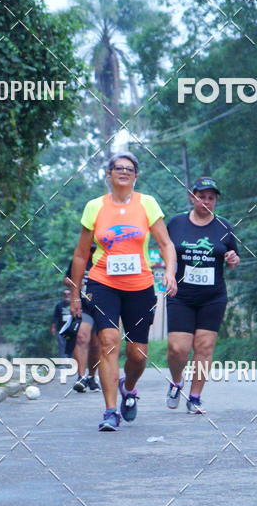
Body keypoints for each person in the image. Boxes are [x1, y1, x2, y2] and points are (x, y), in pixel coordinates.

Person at [69, 152, 177, 431]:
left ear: (136, 176)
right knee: (108, 341)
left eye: (130, 169)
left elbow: (166, 244)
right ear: (109, 175)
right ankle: (110, 411)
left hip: (140, 286)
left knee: (138, 354)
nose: (124, 172)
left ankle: (128, 387)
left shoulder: (147, 203)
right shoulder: (94, 206)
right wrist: (75, 293)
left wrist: (169, 272)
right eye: (118, 168)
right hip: (102, 282)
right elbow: (81, 254)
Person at [166, 176, 239, 413]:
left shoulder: (224, 226)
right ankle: (177, 381)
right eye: (201, 197)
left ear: (215, 201)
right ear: (192, 197)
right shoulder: (176, 223)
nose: (206, 201)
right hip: (181, 295)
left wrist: (232, 259)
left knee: (204, 347)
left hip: (212, 296)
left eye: (210, 198)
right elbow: (166, 251)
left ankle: (195, 397)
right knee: (178, 348)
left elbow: (233, 259)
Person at [64, 255, 100, 393]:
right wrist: (77, 282)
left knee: (96, 344)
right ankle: (81, 377)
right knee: (81, 337)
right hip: (83, 306)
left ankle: (91, 376)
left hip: (103, 305)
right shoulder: (78, 259)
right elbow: (66, 278)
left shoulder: (107, 255)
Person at [51, 288, 72, 356]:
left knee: (71, 345)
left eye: (68, 294)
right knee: (62, 346)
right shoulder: (59, 305)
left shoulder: (74, 305)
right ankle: (63, 361)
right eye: (65, 294)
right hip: (61, 329)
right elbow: (55, 317)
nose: (67, 295)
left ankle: (72, 360)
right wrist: (53, 327)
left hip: (71, 329)